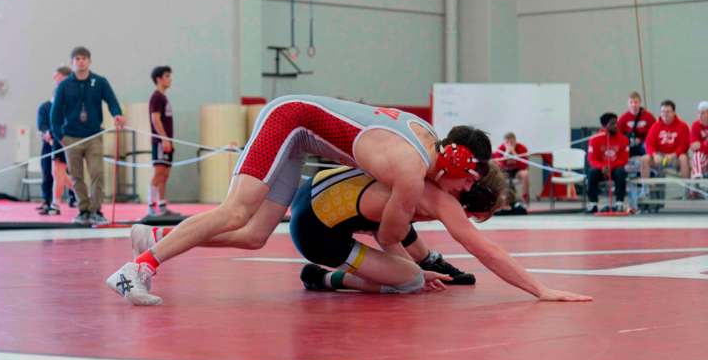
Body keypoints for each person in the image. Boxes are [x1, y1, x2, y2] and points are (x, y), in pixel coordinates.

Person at [104, 97, 490, 305]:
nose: (460, 191)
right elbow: (390, 236)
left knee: (254, 235)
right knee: (237, 211)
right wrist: (418, 269)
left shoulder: (423, 141)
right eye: (465, 182)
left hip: (299, 135)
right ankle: (137, 269)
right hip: (290, 121)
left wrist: (418, 268)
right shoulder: (413, 164)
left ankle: (154, 235)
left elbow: (394, 231)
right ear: (457, 163)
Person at [287, 160, 589, 301]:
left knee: (406, 254)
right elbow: (485, 250)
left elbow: (387, 230)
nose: (464, 219)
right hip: (316, 233)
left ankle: (427, 261)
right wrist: (540, 289)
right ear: (465, 200)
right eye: (470, 216)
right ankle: (325, 278)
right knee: (409, 281)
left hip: (313, 191)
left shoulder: (419, 172)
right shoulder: (438, 201)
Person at [50, 46, 124, 225]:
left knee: (97, 172)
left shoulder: (100, 82)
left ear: (89, 61)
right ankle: (83, 210)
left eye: (84, 58)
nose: (81, 61)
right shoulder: (64, 86)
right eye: (77, 59)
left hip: (93, 136)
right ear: (72, 63)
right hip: (71, 137)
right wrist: (60, 136)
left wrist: (117, 114)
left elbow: (112, 101)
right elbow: (55, 113)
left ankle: (96, 210)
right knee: (76, 176)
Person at [37, 66, 72, 215]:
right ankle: (55, 202)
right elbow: (47, 123)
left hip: (65, 139)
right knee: (56, 172)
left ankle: (56, 204)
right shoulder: (47, 107)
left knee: (59, 173)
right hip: (55, 139)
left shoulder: (69, 102)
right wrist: (49, 134)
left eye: (57, 76)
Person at [586, 113, 629, 213]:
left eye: (616, 123)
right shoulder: (594, 139)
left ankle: (619, 203)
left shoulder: (624, 139)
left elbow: (624, 159)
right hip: (601, 169)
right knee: (592, 172)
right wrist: (602, 167)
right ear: (605, 126)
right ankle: (593, 204)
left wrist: (609, 166)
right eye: (612, 124)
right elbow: (591, 159)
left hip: (615, 168)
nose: (616, 126)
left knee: (621, 172)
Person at [147, 65, 176, 217]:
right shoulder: (157, 97)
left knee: (165, 175)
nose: (170, 79)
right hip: (160, 142)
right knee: (159, 173)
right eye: (167, 76)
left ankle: (162, 205)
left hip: (167, 142)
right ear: (159, 79)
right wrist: (164, 139)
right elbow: (155, 119)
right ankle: (151, 205)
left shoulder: (163, 97)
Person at [642, 100, 690, 181]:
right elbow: (649, 143)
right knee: (645, 158)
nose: (665, 114)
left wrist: (673, 155)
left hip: (675, 157)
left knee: (684, 158)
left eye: (668, 111)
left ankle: (688, 189)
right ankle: (646, 189)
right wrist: (654, 154)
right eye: (663, 111)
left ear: (674, 112)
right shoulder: (655, 126)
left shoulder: (682, 126)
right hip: (659, 156)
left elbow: (685, 145)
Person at [492, 132, 530, 211]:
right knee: (498, 176)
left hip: (517, 171)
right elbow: (498, 165)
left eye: (512, 142)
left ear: (515, 141)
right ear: (504, 142)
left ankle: (524, 199)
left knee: (525, 174)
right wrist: (506, 154)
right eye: (507, 142)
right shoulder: (501, 149)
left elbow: (524, 165)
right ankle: (502, 202)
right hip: (504, 171)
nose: (509, 145)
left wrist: (514, 153)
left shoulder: (522, 148)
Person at [617, 91, 656, 157]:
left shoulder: (648, 116)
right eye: (631, 102)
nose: (633, 105)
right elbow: (619, 134)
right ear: (628, 104)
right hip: (629, 144)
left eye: (636, 102)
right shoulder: (623, 118)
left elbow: (654, 132)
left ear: (640, 103)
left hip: (644, 143)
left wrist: (642, 140)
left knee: (648, 148)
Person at [690, 101, 708, 182]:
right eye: (699, 113)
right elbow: (694, 147)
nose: (700, 115)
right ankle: (697, 177)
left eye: (703, 113)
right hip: (703, 157)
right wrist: (704, 146)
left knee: (696, 159)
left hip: (704, 154)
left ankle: (695, 185)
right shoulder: (695, 125)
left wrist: (701, 145)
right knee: (697, 156)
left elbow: (698, 146)